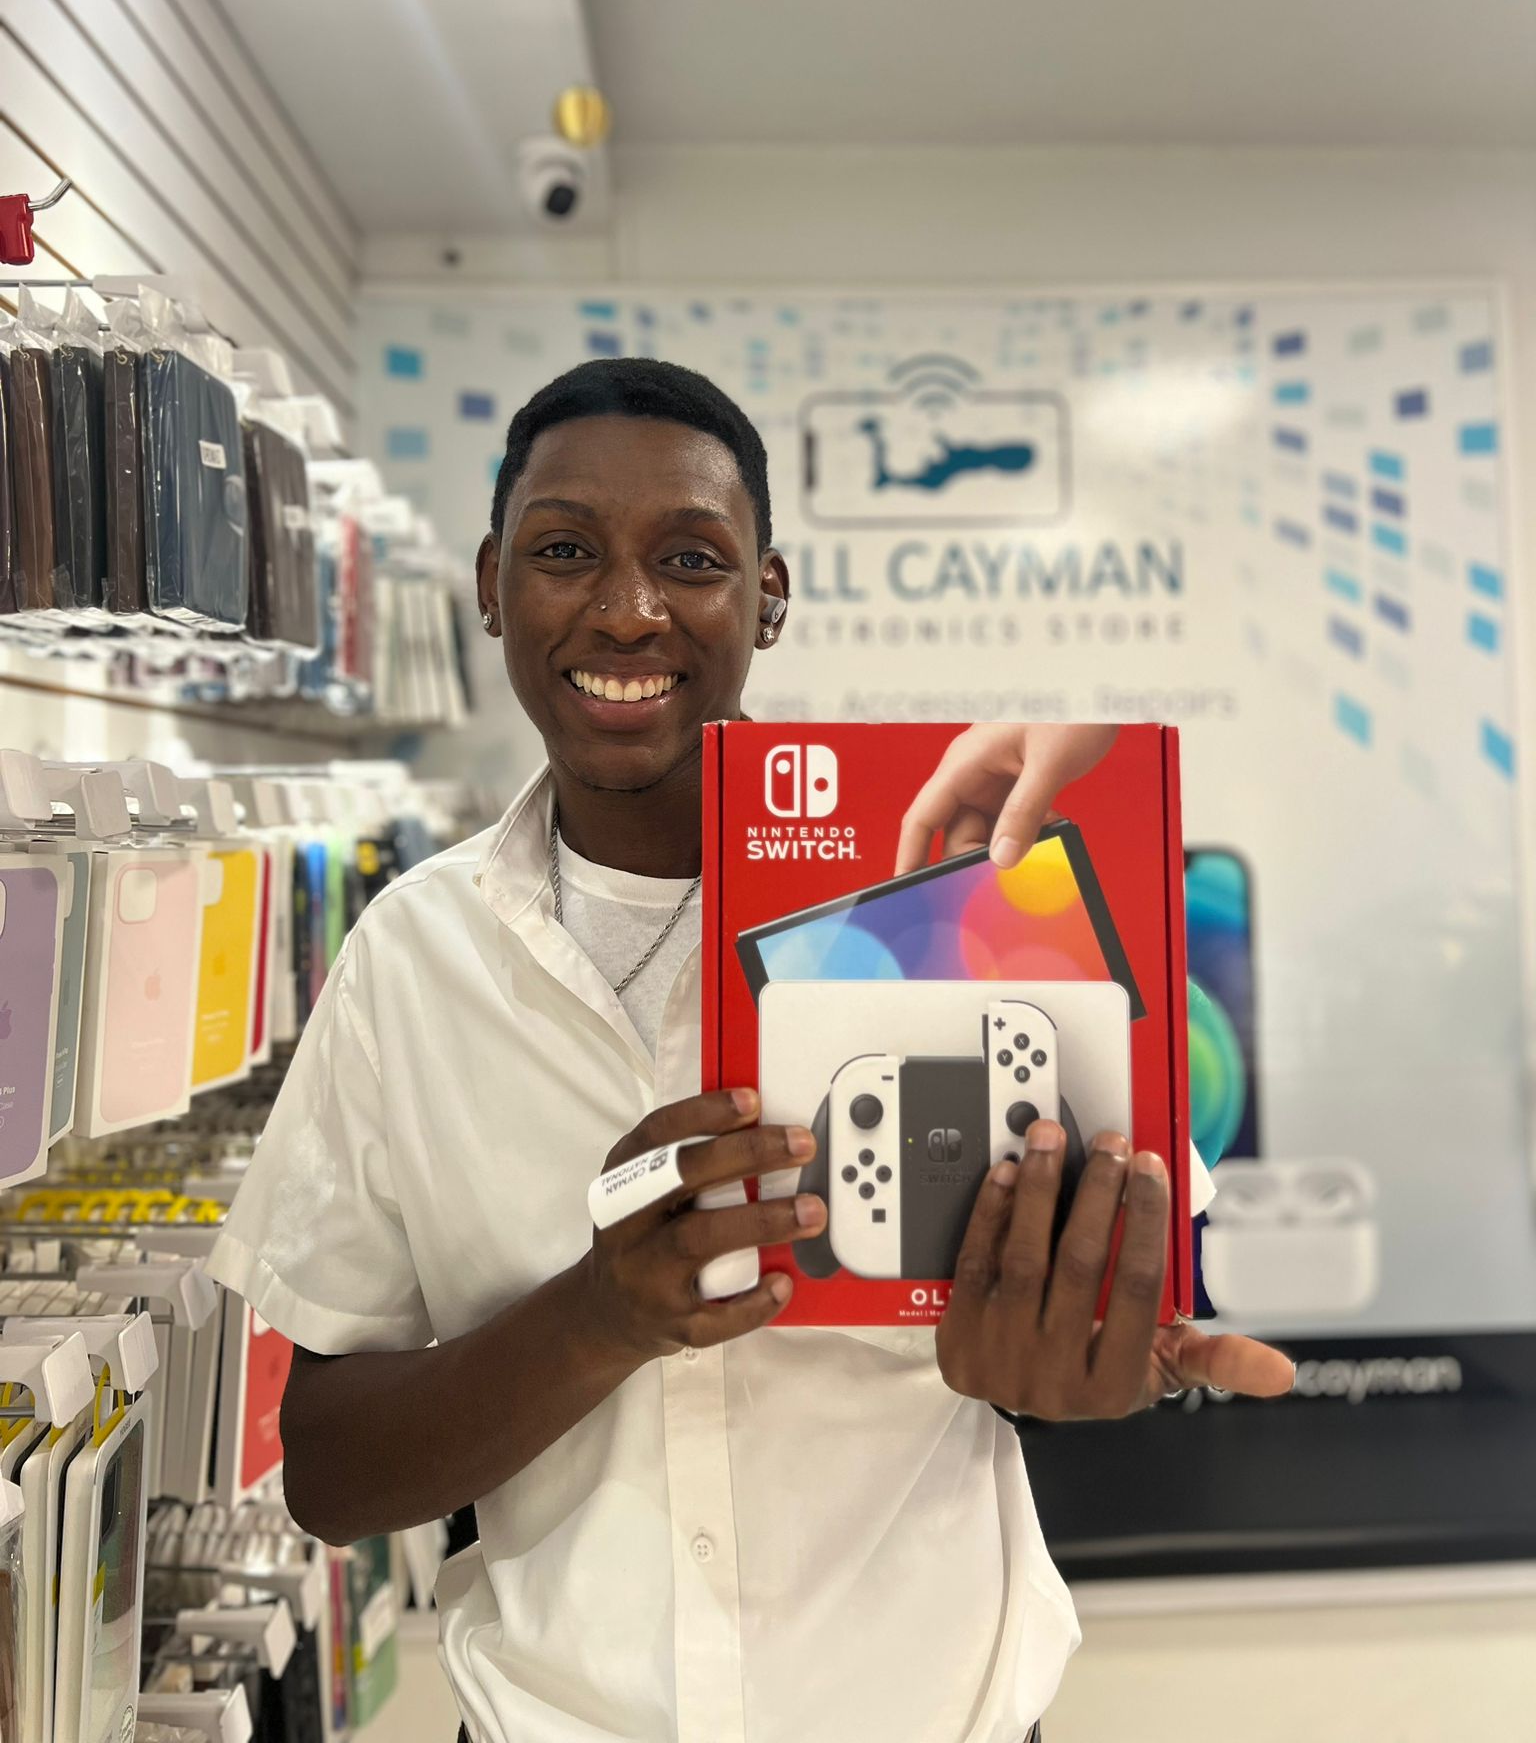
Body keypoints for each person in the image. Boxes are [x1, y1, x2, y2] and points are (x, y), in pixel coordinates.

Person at [207, 358, 1292, 1743]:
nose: (627, 609)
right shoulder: (411, 961)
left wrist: (1106, 1357)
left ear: (767, 597)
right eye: (563, 551)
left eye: (691, 559)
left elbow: (1149, 1286)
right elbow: (330, 1473)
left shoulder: (951, 893)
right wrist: (598, 1317)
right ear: (490, 585)